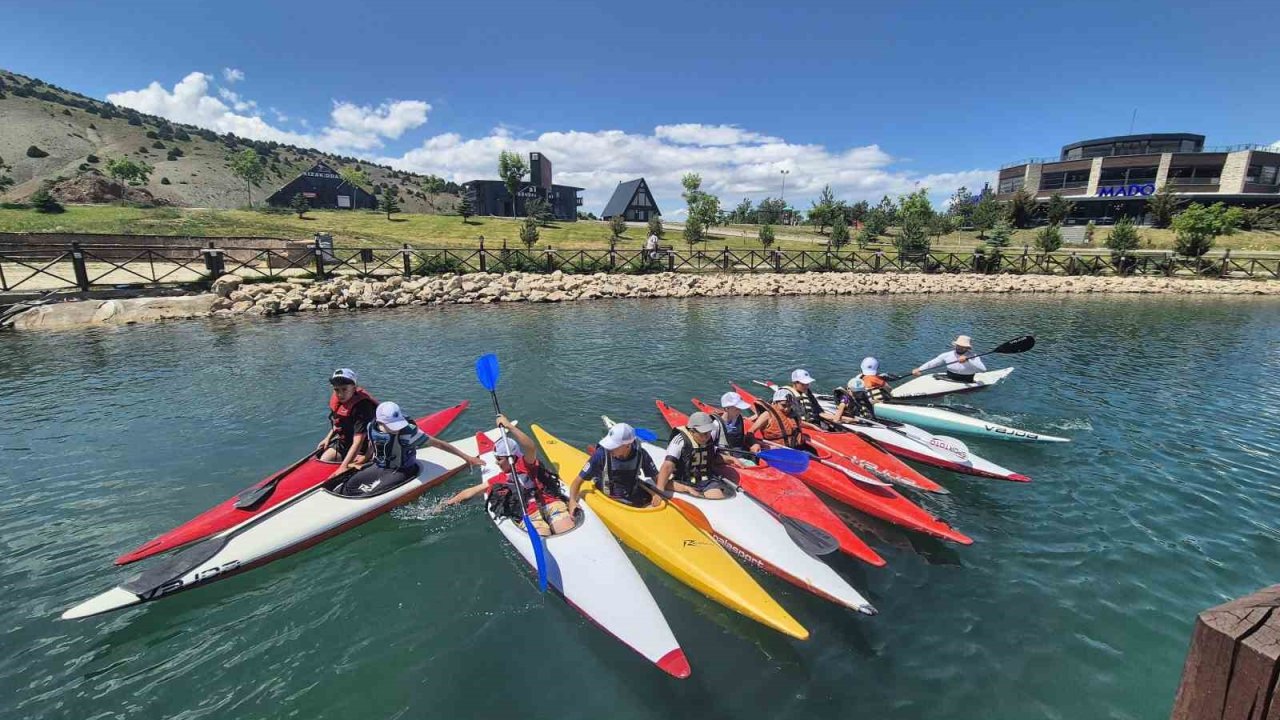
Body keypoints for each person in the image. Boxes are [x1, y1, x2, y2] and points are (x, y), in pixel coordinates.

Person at [444, 415, 574, 536]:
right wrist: (446, 504)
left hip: (550, 504)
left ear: (510, 457)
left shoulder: (526, 464)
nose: (496, 462)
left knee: (566, 530)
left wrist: (510, 426)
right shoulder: (500, 479)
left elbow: (531, 447)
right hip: (530, 515)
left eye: (499, 459)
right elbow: (471, 492)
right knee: (542, 535)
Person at [339, 401, 483, 495]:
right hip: (380, 466)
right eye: (392, 425)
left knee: (368, 494)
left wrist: (467, 457)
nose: (397, 428)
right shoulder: (372, 427)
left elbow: (439, 443)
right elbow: (373, 447)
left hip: (402, 470)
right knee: (348, 486)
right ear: (380, 422)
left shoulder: (408, 433)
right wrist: (364, 459)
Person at [567, 422, 660, 514]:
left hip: (630, 495)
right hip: (608, 497)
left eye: (614, 446)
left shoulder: (641, 454)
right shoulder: (601, 454)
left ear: (627, 446)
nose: (609, 449)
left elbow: (658, 479)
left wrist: (656, 493)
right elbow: (577, 481)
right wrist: (572, 501)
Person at [317, 368, 377, 477]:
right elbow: (338, 423)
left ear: (354, 388)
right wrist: (328, 438)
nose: (340, 394)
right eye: (337, 390)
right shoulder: (338, 402)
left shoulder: (363, 407)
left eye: (344, 389)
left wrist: (344, 466)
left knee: (353, 470)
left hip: (364, 448)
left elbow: (358, 441)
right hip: (344, 444)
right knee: (324, 459)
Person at [654, 411, 730, 499]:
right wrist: (659, 491)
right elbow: (668, 466)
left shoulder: (709, 438)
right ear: (692, 431)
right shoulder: (680, 441)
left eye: (709, 432)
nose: (707, 437)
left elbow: (711, 456)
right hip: (683, 480)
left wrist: (729, 459)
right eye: (703, 433)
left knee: (718, 497)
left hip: (704, 479)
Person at [707, 391, 760, 462]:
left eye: (740, 409)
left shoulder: (738, 419)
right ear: (726, 409)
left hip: (739, 455)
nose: (740, 411)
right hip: (724, 460)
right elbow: (709, 448)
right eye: (737, 409)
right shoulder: (716, 425)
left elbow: (741, 438)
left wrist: (754, 443)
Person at [912, 335, 987, 382]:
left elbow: (983, 370)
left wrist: (968, 359)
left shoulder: (974, 357)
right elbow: (933, 363)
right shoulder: (947, 355)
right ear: (955, 345)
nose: (960, 348)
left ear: (967, 348)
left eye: (963, 347)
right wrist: (919, 369)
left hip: (967, 380)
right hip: (949, 378)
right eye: (958, 346)